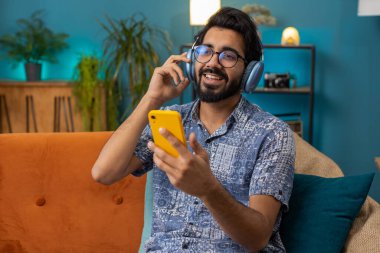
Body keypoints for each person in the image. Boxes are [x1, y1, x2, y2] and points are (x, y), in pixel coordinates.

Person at [92, 7, 295, 253]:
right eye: (205, 51)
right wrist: (151, 99)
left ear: (249, 72)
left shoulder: (272, 134)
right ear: (191, 58)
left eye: (228, 56)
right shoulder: (168, 119)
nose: (212, 62)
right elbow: (103, 173)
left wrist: (208, 189)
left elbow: (257, 238)